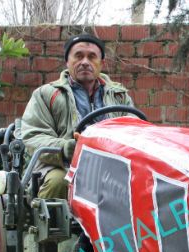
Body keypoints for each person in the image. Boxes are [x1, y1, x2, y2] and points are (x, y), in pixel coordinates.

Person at [19, 33, 134, 199]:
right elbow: (34, 136)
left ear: (101, 63)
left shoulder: (120, 96)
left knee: (138, 184)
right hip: (60, 165)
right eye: (78, 56)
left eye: (92, 57)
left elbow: (135, 133)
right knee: (59, 182)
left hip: (110, 167)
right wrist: (66, 148)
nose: (85, 62)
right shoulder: (46, 95)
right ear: (67, 61)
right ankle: (50, 217)